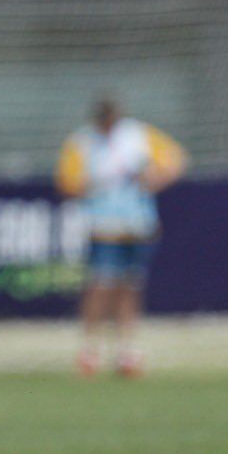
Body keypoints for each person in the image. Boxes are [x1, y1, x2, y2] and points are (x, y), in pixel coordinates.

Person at [56, 97, 185, 376]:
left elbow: (176, 161)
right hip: (103, 225)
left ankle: (127, 351)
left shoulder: (138, 135)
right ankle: (90, 350)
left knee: (130, 286)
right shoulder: (82, 141)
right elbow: (67, 183)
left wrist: (152, 180)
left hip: (137, 224)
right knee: (101, 286)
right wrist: (95, 184)